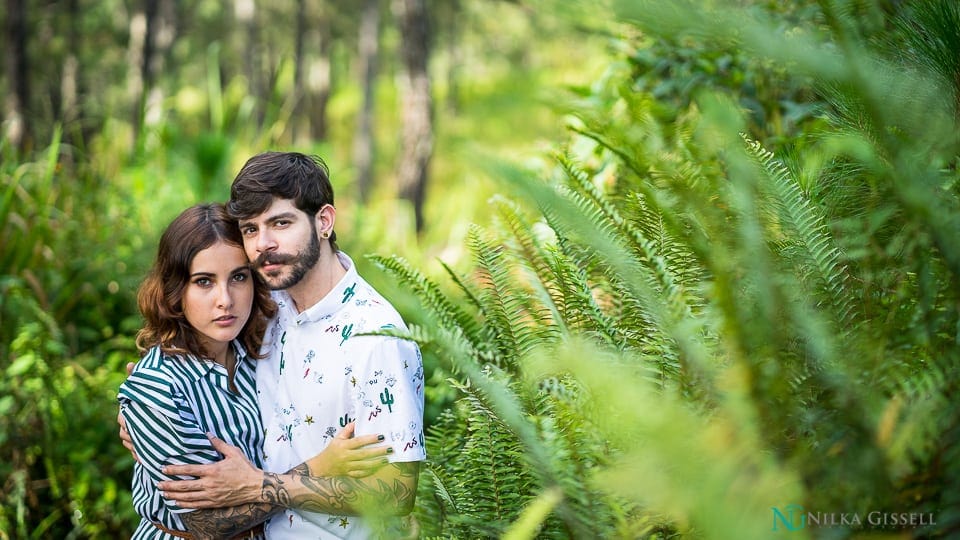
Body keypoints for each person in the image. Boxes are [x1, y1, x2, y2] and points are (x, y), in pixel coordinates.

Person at [148, 152, 426, 539]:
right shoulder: (263, 305)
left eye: (280, 223)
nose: (263, 244)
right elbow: (192, 352)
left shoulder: (375, 337)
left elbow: (396, 493)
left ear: (324, 221)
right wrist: (145, 407)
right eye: (250, 229)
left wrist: (259, 485)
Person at [118, 203, 389, 540]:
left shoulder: (259, 352)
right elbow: (207, 524)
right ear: (176, 292)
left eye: (239, 277)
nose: (225, 300)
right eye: (204, 282)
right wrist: (320, 467)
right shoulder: (158, 388)